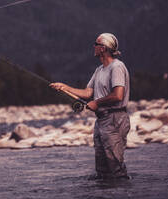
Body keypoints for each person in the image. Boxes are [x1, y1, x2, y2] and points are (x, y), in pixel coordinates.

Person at [50, 33, 130, 179]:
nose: (93, 46)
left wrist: (96, 102)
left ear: (103, 48)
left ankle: (122, 197)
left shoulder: (117, 66)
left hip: (115, 119)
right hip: (101, 120)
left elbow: (118, 95)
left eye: (96, 44)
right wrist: (64, 87)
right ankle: (106, 198)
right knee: (102, 168)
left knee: (115, 165)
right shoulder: (99, 70)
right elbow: (87, 93)